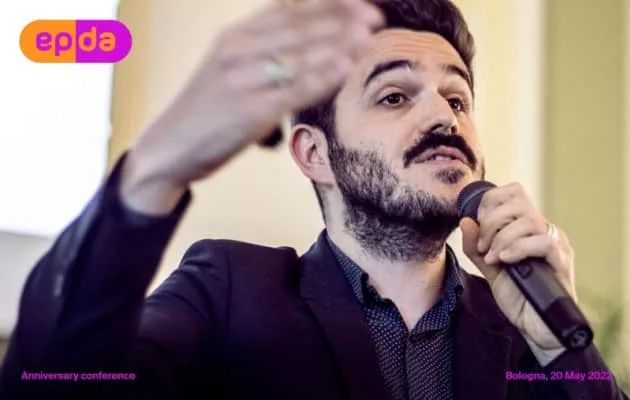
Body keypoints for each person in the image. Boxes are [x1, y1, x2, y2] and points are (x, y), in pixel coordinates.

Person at [0, 0, 627, 399]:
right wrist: (151, 175)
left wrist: (559, 348)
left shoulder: (523, 334)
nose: (445, 117)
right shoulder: (227, 292)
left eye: (457, 98)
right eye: (395, 96)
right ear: (314, 153)